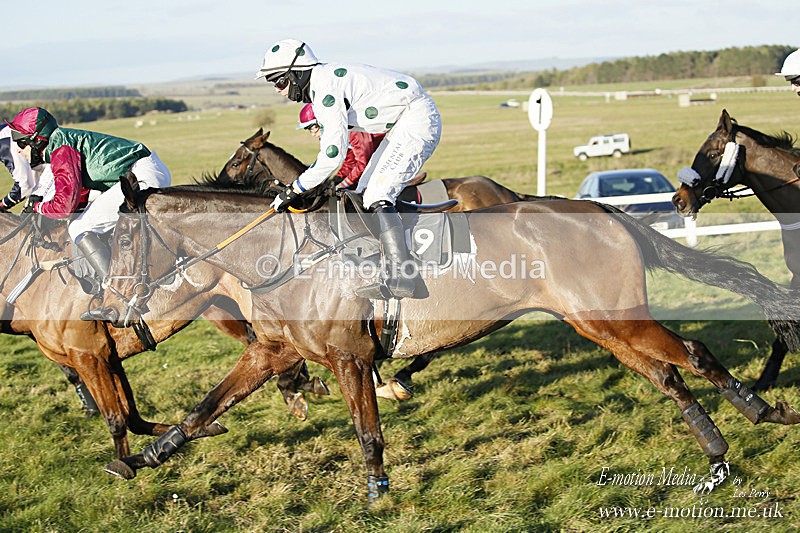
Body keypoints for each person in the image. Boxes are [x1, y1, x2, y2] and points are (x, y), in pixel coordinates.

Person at [258, 39, 441, 299]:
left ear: (297, 73)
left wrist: (294, 189)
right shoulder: (323, 82)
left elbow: (332, 156)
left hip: (414, 120)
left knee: (378, 194)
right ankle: (388, 262)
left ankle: (403, 275)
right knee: (365, 191)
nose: (277, 90)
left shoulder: (324, 90)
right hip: (401, 123)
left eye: (279, 81)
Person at [5, 107, 172, 294]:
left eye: (20, 143)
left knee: (79, 227)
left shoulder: (62, 149)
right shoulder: (61, 143)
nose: (19, 151)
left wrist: (38, 207)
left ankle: (116, 292)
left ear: (36, 140)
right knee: (86, 219)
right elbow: (78, 194)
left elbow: (65, 207)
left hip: (139, 177)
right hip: (144, 171)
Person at [296, 102, 385, 190]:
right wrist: (338, 178)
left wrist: (343, 184)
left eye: (312, 129)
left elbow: (363, 163)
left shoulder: (352, 131)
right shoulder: (341, 132)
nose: (312, 134)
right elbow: (351, 159)